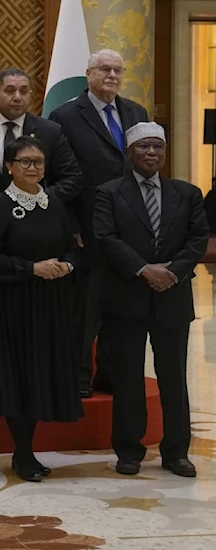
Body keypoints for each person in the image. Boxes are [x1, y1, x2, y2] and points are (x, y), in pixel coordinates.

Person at [0, 68, 81, 402]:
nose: (17, 97)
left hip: (38, 235)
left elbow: (72, 177)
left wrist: (35, 200)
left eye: (24, 91)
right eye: (10, 90)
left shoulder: (51, 131)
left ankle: (32, 374)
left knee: (32, 306)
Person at [94, 123, 208, 478]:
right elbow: (105, 237)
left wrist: (171, 272)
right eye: (143, 146)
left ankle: (176, 452)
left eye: (158, 146)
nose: (151, 153)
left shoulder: (186, 193)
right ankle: (129, 451)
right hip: (127, 299)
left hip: (172, 298)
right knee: (127, 378)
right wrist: (144, 269)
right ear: (130, 152)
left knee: (173, 377)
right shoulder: (109, 193)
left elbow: (198, 237)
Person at [0, 136, 82, 482]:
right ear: (9, 166)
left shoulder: (55, 204)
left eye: (38, 162)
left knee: (39, 377)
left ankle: (27, 450)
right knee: (19, 377)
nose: (32, 167)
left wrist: (67, 266)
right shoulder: (1, 206)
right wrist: (31, 268)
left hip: (51, 305)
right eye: (24, 162)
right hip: (13, 307)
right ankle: (22, 453)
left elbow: (73, 246)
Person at [48, 49, 149, 397]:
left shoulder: (136, 112)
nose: (112, 76)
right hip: (86, 227)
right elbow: (59, 176)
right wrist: (70, 223)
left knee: (121, 307)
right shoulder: (64, 116)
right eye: (105, 69)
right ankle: (78, 377)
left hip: (129, 228)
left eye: (118, 70)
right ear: (88, 73)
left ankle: (110, 373)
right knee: (84, 309)